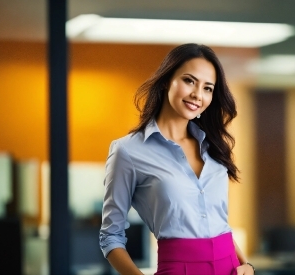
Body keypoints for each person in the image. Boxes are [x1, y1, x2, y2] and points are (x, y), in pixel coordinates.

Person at [99, 44, 255, 275]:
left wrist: (247, 265)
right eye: (189, 81)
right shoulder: (128, 151)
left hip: (231, 268)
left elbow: (217, 221)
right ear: (166, 80)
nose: (197, 95)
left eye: (208, 88)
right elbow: (110, 236)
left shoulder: (214, 147)